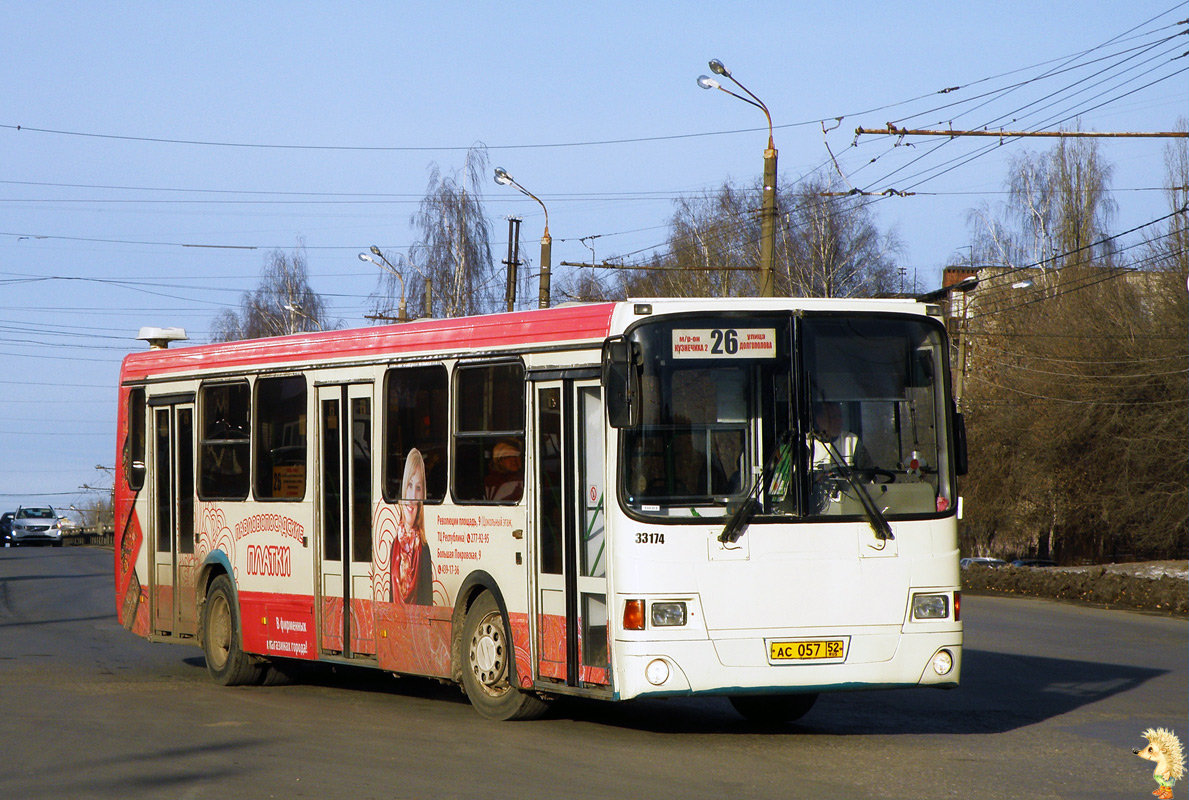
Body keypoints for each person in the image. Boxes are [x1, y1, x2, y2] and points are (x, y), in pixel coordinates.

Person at [391, 448, 432, 604]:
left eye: (418, 488)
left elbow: (428, 603)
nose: (413, 497)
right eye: (409, 485)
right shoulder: (394, 545)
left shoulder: (424, 548)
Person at [810, 402, 873, 471]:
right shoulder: (805, 444)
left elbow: (868, 475)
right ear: (819, 420)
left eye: (840, 416)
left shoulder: (851, 441)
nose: (838, 421)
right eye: (832, 417)